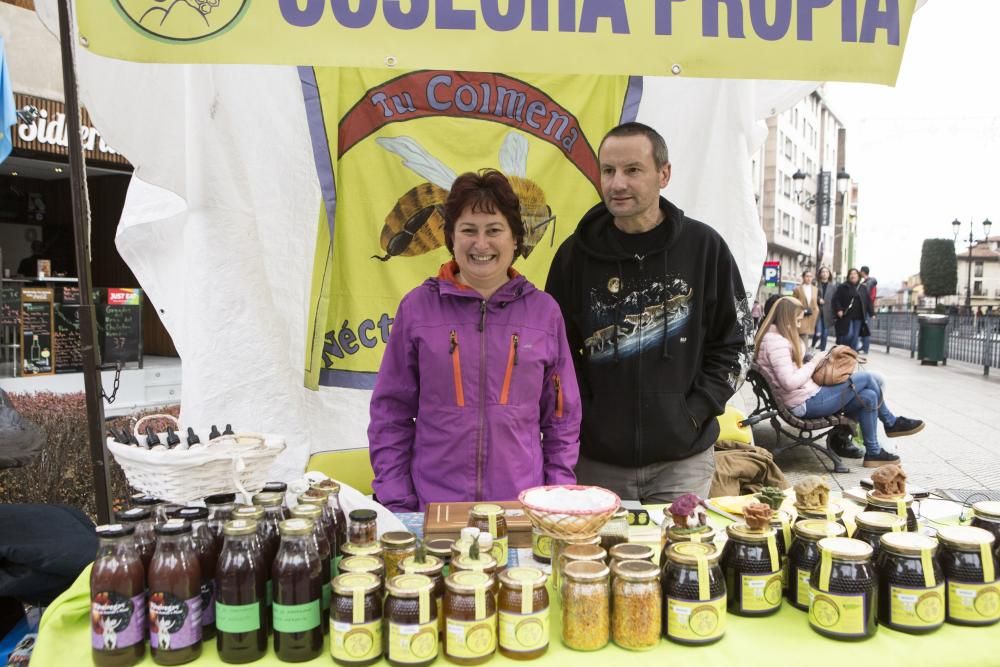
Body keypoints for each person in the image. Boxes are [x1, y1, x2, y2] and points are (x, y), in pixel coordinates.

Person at [545, 122, 745, 502]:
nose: (617, 183)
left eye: (632, 170)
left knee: (681, 559)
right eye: (608, 171)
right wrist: (587, 416)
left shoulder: (705, 248)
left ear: (663, 174)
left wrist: (694, 411)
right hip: (595, 462)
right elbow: (557, 354)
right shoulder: (574, 256)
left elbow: (737, 343)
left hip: (682, 461)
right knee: (592, 561)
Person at [368, 169, 582, 511]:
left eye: (494, 230)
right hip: (434, 509)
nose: (481, 244)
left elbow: (561, 420)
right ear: (451, 239)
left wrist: (554, 498)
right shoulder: (417, 309)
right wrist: (400, 501)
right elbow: (390, 414)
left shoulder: (544, 314)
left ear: (516, 238)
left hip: (519, 510)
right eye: (468, 230)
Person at [753, 297, 924, 468]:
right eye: (797, 319)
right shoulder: (777, 343)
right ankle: (891, 423)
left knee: (869, 396)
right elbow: (789, 382)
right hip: (805, 403)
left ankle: (873, 452)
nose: (800, 323)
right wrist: (813, 363)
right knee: (866, 378)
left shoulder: (774, 338)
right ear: (787, 318)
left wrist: (810, 358)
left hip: (806, 396)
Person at [832, 268, 872, 351]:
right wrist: (839, 309)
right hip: (846, 315)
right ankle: (843, 349)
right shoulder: (843, 286)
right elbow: (836, 299)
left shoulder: (862, 287)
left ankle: (852, 355)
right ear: (848, 276)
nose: (853, 275)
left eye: (855, 274)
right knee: (848, 335)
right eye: (851, 274)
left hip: (859, 316)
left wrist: (872, 313)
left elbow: (867, 301)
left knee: (855, 336)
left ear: (858, 276)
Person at [792, 270, 819, 350]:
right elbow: (794, 301)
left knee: (805, 334)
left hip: (811, 315)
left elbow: (814, 302)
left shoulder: (815, 289)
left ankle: (802, 352)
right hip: (801, 314)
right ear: (803, 277)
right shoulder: (797, 289)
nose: (809, 278)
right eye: (807, 276)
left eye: (810, 276)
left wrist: (816, 311)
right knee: (802, 333)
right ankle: (803, 352)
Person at [813, 266, 836, 352]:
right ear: (820, 274)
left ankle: (823, 348)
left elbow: (835, 300)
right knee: (818, 331)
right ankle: (813, 343)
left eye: (826, 272)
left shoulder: (833, 287)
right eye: (823, 272)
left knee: (825, 331)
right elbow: (811, 296)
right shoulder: (815, 284)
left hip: (828, 312)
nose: (824, 273)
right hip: (817, 310)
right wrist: (818, 299)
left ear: (829, 274)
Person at [858, 266, 878, 356]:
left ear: (863, 272)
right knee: (863, 328)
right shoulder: (867, 283)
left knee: (865, 328)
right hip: (865, 308)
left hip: (866, 309)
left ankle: (865, 348)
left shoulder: (869, 283)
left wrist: (871, 311)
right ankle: (863, 347)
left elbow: (871, 297)